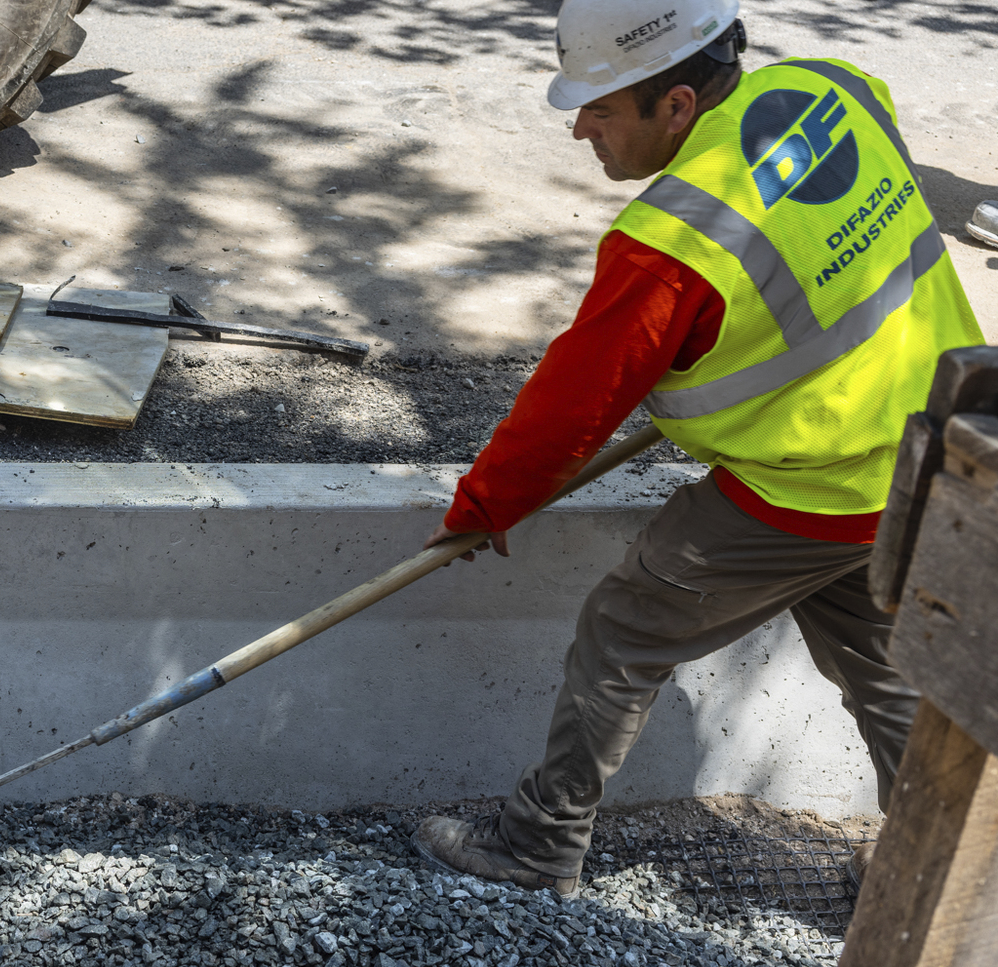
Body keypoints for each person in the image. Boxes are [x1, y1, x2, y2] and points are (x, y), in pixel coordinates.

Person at [411, 0, 986, 896]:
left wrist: (485, 508)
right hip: (925, 463)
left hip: (808, 489)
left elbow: (571, 411)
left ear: (676, 106)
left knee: (623, 631)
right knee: (890, 676)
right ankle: (945, 877)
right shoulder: (829, 89)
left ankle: (536, 844)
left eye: (600, 109)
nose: (579, 130)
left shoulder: (674, 243)